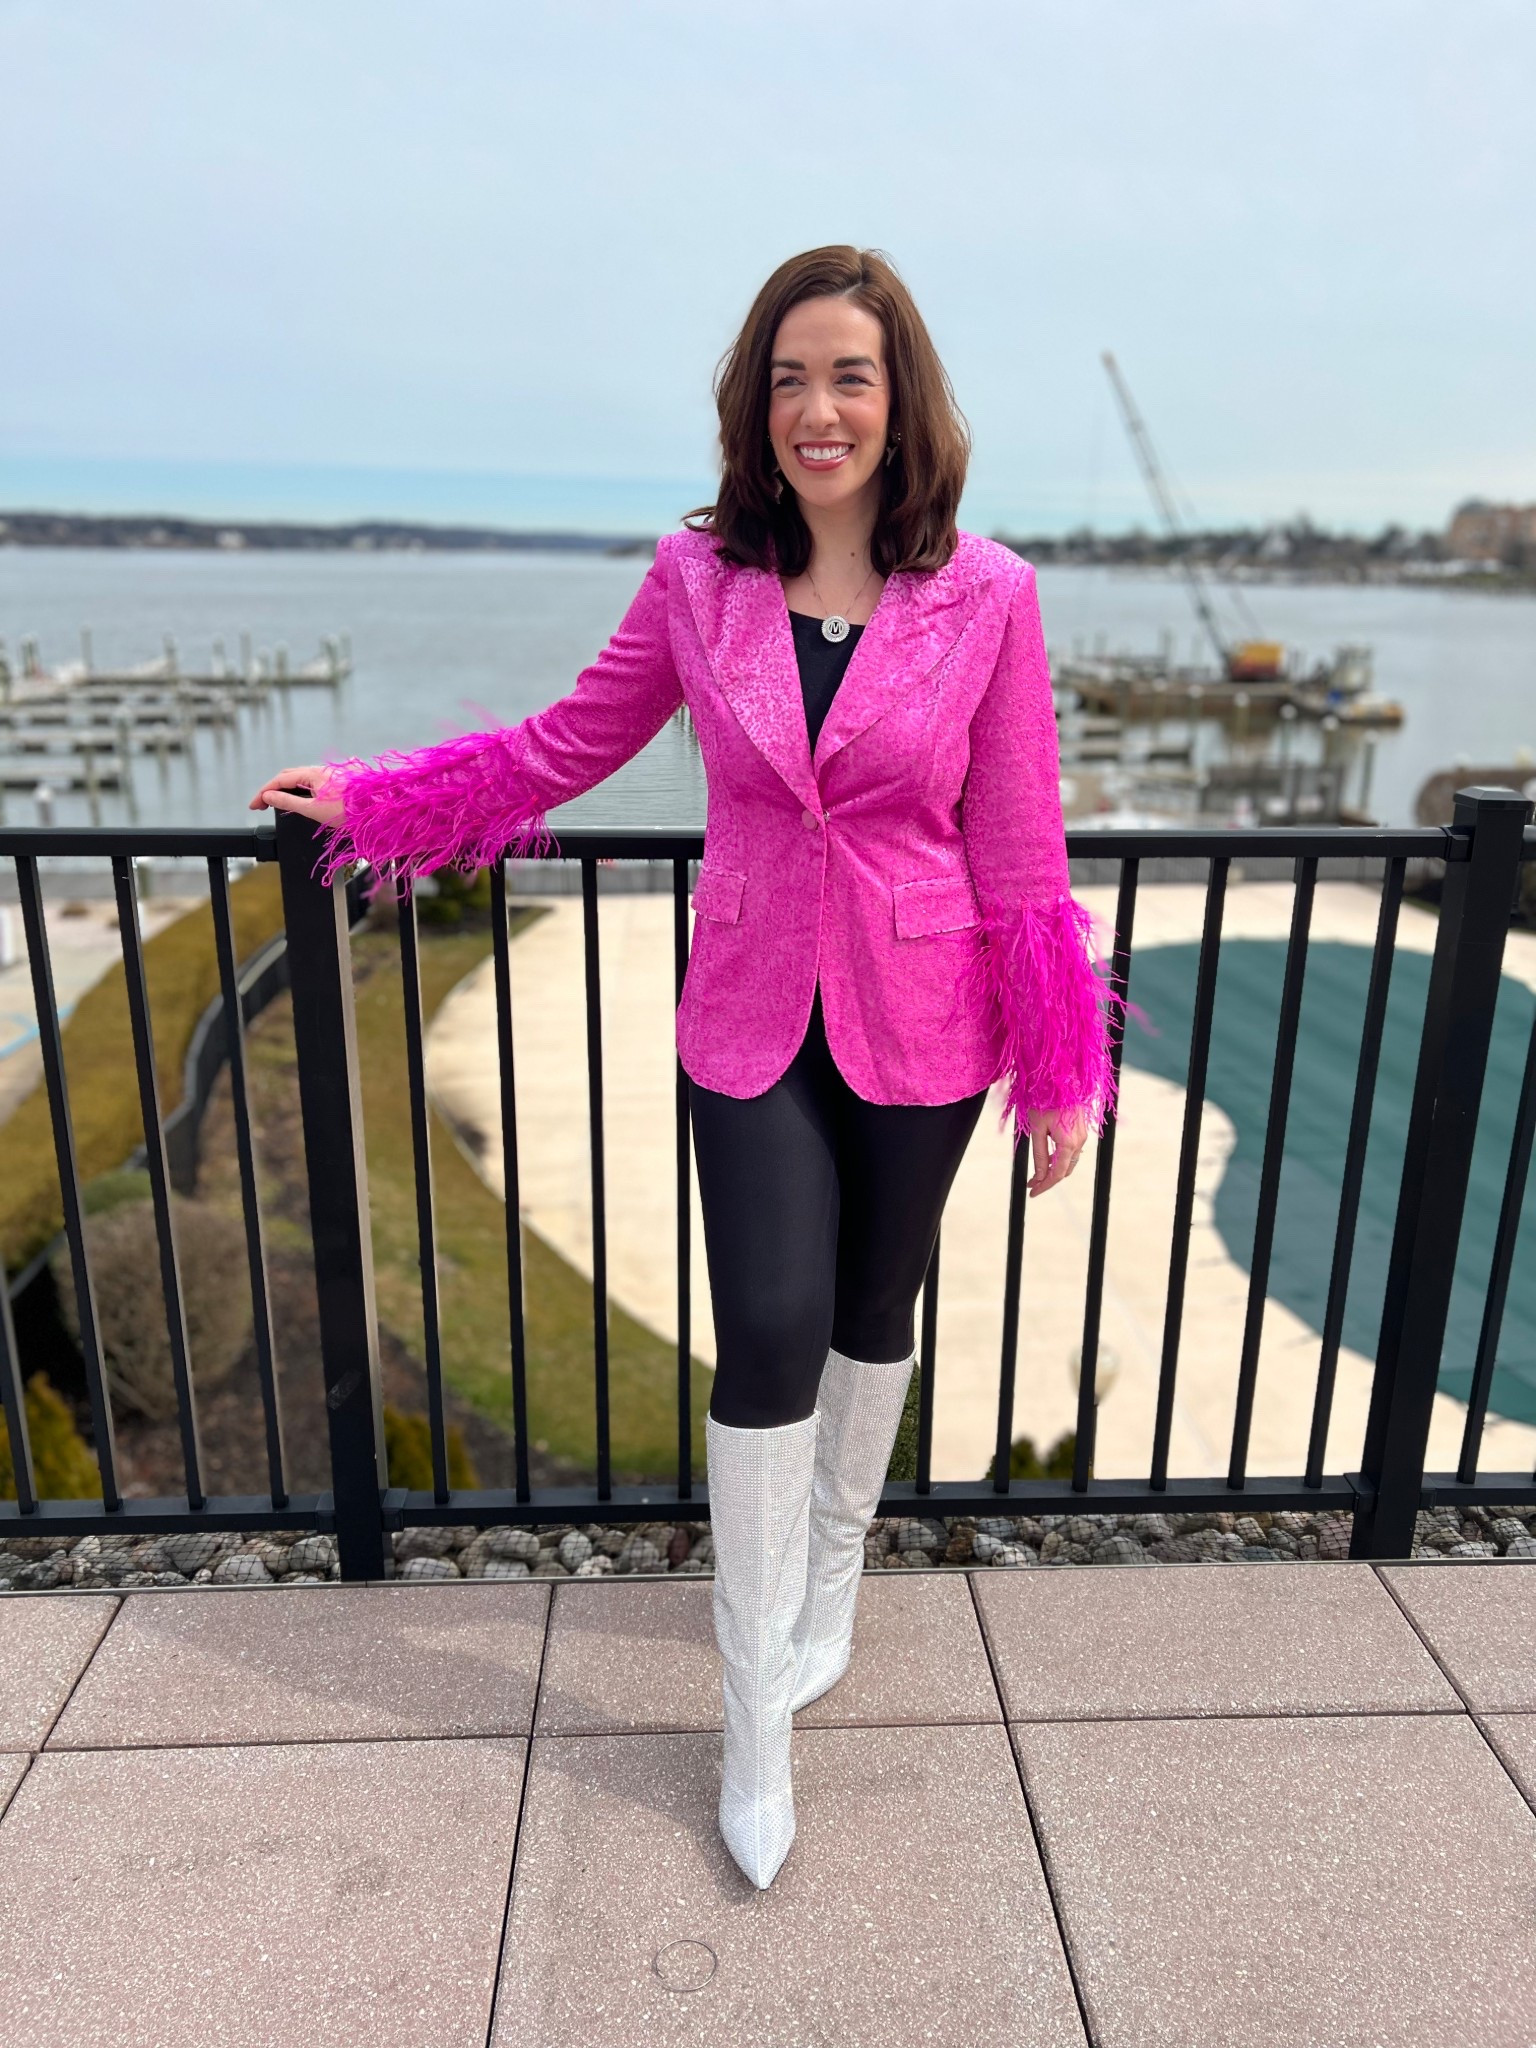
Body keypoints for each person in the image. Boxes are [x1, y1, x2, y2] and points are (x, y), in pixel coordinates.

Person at [250, 244, 1119, 1892]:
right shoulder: (697, 577)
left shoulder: (989, 594)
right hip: (747, 1013)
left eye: (849, 375)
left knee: (877, 1309)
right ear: (755, 402)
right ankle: (752, 1724)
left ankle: (835, 1583)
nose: (818, 408)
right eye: (789, 377)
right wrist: (373, 800)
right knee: (774, 1323)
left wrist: (1061, 1062)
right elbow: (560, 746)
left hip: (926, 1015)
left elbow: (1018, 843)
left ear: (901, 400)